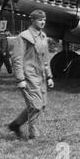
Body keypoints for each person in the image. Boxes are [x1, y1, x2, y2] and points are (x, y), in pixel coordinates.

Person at [8, 10, 54, 139]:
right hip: (28, 76)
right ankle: (33, 135)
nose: (43, 22)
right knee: (36, 105)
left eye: (44, 19)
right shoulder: (24, 36)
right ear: (32, 20)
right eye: (39, 19)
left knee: (42, 104)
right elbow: (17, 59)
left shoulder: (43, 36)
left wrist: (49, 76)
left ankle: (15, 125)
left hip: (41, 76)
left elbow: (46, 59)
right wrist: (20, 79)